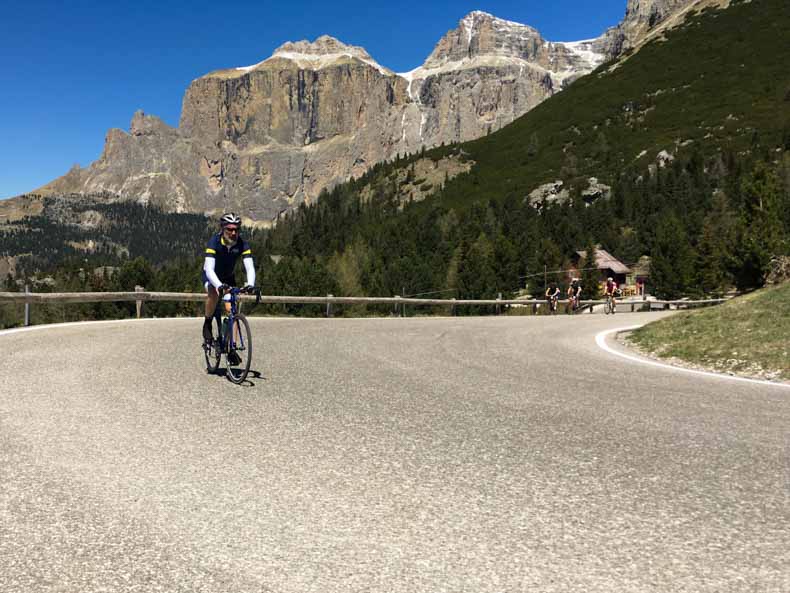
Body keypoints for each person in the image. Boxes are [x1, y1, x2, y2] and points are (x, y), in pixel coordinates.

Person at [202, 213, 256, 343]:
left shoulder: (242, 244)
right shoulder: (214, 241)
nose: (233, 232)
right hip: (211, 276)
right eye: (229, 229)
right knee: (213, 294)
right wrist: (218, 285)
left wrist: (250, 284)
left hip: (228, 277)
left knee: (232, 310)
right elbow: (209, 269)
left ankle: (232, 346)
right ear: (222, 229)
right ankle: (207, 322)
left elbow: (249, 267)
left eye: (236, 229)